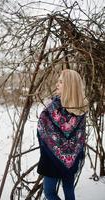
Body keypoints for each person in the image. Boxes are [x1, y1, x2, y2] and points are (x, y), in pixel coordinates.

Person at [37, 69, 88, 200]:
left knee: (49, 193)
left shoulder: (52, 108)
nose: (57, 84)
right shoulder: (80, 110)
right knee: (69, 190)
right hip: (71, 161)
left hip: (51, 159)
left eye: (61, 82)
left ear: (69, 86)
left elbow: (42, 129)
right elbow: (79, 139)